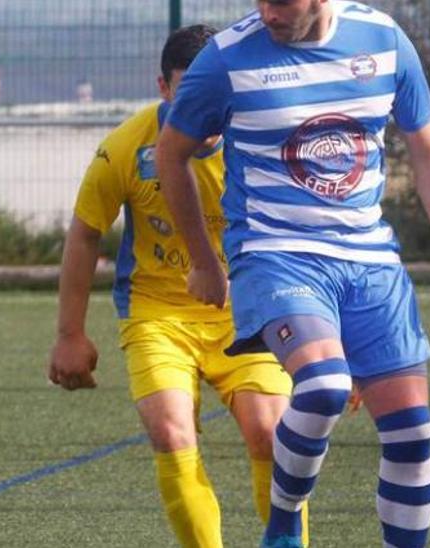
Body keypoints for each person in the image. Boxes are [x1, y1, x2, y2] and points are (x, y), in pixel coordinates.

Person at [156, 2, 430, 547]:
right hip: (274, 254)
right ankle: (284, 519)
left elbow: (427, 151)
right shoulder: (226, 60)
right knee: (325, 386)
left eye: (282, 0)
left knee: (412, 435)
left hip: (370, 260)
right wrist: (203, 260)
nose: (267, 12)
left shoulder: (383, 40)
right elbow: (171, 154)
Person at [47, 24, 311, 548]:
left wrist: (328, 340)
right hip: (157, 316)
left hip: (248, 313)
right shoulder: (124, 148)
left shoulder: (261, 142)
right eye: (189, 91)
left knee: (272, 434)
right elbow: (83, 237)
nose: (205, 105)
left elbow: (307, 234)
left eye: (214, 89)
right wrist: (70, 334)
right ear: (164, 89)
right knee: (170, 432)